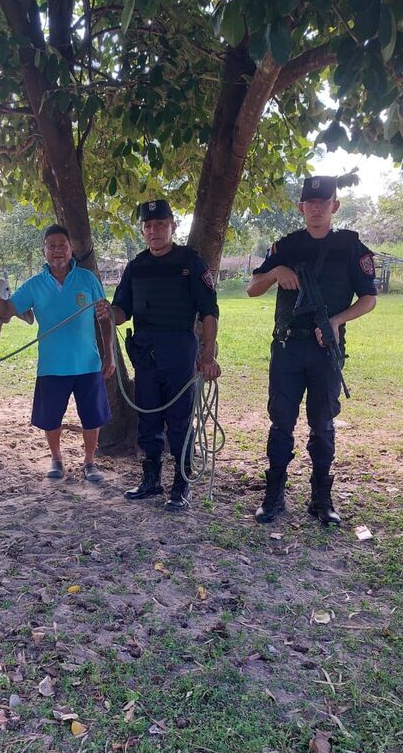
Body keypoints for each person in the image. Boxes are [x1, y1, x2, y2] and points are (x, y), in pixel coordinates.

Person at [247, 174, 377, 526]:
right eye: (310, 202)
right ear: (301, 207)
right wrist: (276, 271)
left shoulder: (351, 247)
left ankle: (321, 497)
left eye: (324, 202)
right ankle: (273, 495)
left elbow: (369, 299)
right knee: (281, 423)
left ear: (335, 205)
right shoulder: (286, 246)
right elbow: (252, 289)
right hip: (288, 348)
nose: (317, 208)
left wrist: (336, 321)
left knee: (322, 424)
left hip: (325, 350)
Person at [96, 198, 220, 512]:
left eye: (160, 225)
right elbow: (122, 310)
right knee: (148, 418)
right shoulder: (136, 266)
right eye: (148, 226)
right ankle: (151, 479)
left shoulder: (190, 263)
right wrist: (109, 312)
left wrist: (207, 353)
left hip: (179, 352)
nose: (154, 231)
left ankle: (182, 482)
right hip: (146, 354)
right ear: (142, 230)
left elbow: (208, 311)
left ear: (172, 227)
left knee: (179, 420)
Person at [0, 225, 115, 481]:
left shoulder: (88, 280)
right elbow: (6, 312)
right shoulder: (34, 285)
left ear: (71, 249)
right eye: (51, 246)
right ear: (44, 251)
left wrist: (110, 355)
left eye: (63, 245)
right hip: (52, 365)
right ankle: (56, 459)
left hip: (88, 363)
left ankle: (90, 462)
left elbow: (105, 318)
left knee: (91, 417)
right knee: (51, 418)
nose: (57, 250)